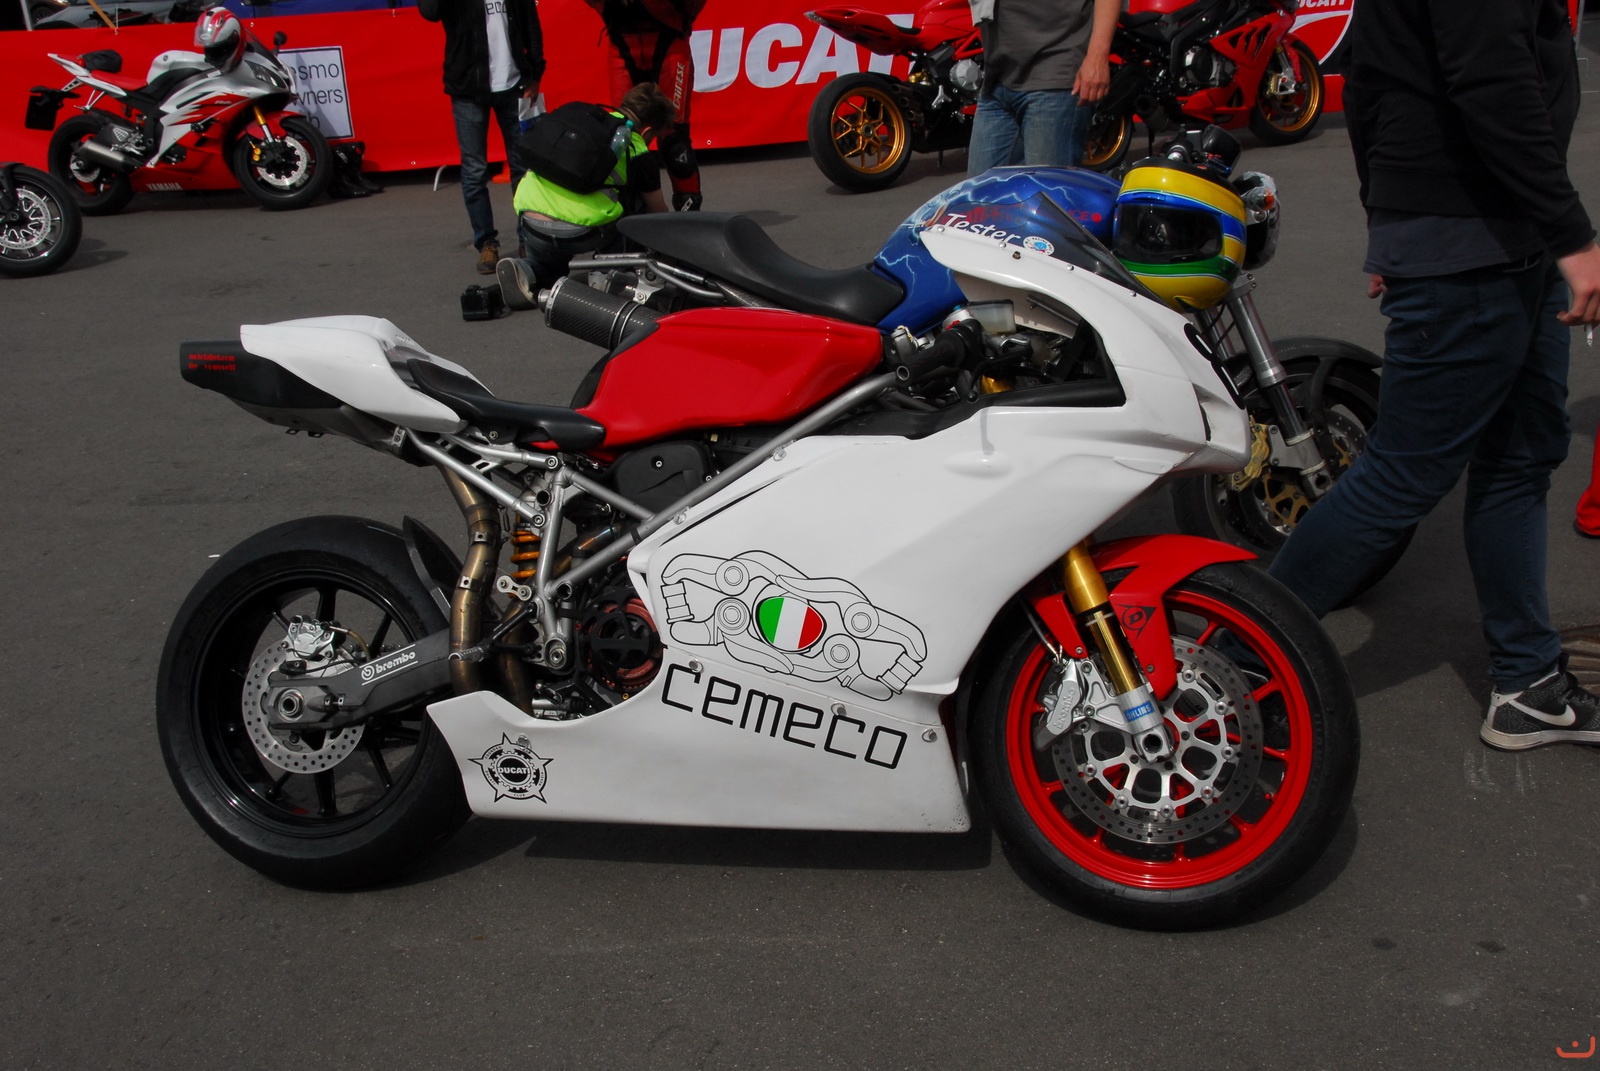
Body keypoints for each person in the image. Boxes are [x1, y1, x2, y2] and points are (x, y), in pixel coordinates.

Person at [1265, 0, 1600, 750]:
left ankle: (1528, 683)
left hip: (1502, 235)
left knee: (1520, 456)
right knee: (1402, 474)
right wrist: (1573, 238)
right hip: (1472, 239)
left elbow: (1373, 79)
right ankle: (1231, 657)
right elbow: (1492, 81)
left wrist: (1388, 215)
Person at [496, 82, 675, 309]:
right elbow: (657, 213)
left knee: (549, 270)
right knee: (637, 207)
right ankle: (610, 273)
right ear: (647, 131)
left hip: (531, 220)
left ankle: (526, 269)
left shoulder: (582, 122)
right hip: (581, 233)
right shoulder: (636, 148)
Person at [418, 0, 546, 275]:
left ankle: (528, 239)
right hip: (467, 89)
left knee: (524, 169)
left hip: (515, 86)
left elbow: (530, 24)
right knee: (475, 171)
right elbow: (430, 11)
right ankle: (486, 243)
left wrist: (536, 74)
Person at [965, 0, 1120, 175]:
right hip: (998, 77)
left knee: (1045, 188)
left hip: (1055, 72)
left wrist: (1097, 56)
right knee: (979, 190)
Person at [584, 0, 705, 211]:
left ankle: (689, 210)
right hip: (622, 43)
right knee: (624, 133)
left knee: (674, 137)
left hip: (668, 40)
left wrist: (681, 17)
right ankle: (632, 210)